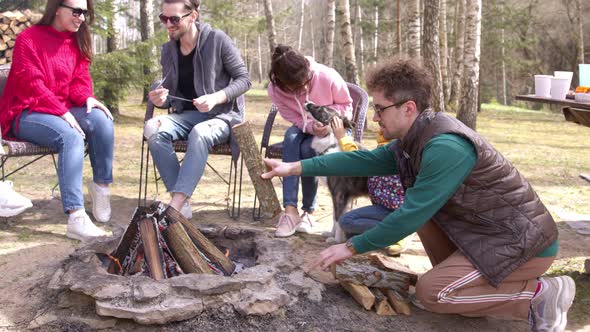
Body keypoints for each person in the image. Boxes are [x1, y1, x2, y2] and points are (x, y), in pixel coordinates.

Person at [262, 58, 575, 331]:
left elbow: (409, 216)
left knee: (432, 294)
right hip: (485, 237)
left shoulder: (443, 147)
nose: (374, 118)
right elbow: (361, 160)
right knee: (445, 277)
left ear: (408, 107)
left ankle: (538, 296)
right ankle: (484, 291)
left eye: (380, 108)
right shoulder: (416, 138)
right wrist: (292, 167)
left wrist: (351, 246)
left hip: (522, 244)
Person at [0, 0, 113, 240]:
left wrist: (87, 99)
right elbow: (31, 85)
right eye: (77, 11)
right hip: (25, 111)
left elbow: (79, 80)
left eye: (85, 12)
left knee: (101, 120)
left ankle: (101, 187)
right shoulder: (28, 39)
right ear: (57, 9)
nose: (81, 17)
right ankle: (76, 217)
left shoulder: (76, 40)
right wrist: (62, 112)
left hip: (60, 110)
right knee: (69, 136)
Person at [145, 0, 251, 219]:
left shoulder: (217, 40)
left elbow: (244, 79)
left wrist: (216, 97)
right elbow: (170, 94)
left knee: (200, 133)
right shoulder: (169, 50)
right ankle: (181, 202)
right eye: (163, 19)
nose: (168, 24)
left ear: (193, 16)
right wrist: (160, 99)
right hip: (186, 115)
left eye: (174, 19)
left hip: (222, 116)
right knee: (152, 129)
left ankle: (174, 205)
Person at [268, 44, 352, 237]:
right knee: (290, 137)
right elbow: (292, 116)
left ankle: (309, 211)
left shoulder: (326, 75)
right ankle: (290, 211)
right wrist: (309, 127)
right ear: (281, 82)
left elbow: (346, 105)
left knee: (307, 150)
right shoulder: (276, 90)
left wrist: (328, 121)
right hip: (305, 128)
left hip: (331, 128)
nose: (304, 88)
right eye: (296, 87)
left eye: (306, 82)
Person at [330, 117, 410, 255]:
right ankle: (389, 234)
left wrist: (342, 138)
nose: (376, 119)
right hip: (382, 208)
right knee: (350, 234)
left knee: (346, 221)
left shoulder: (397, 149)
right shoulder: (387, 146)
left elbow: (358, 160)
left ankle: (399, 234)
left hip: (396, 211)